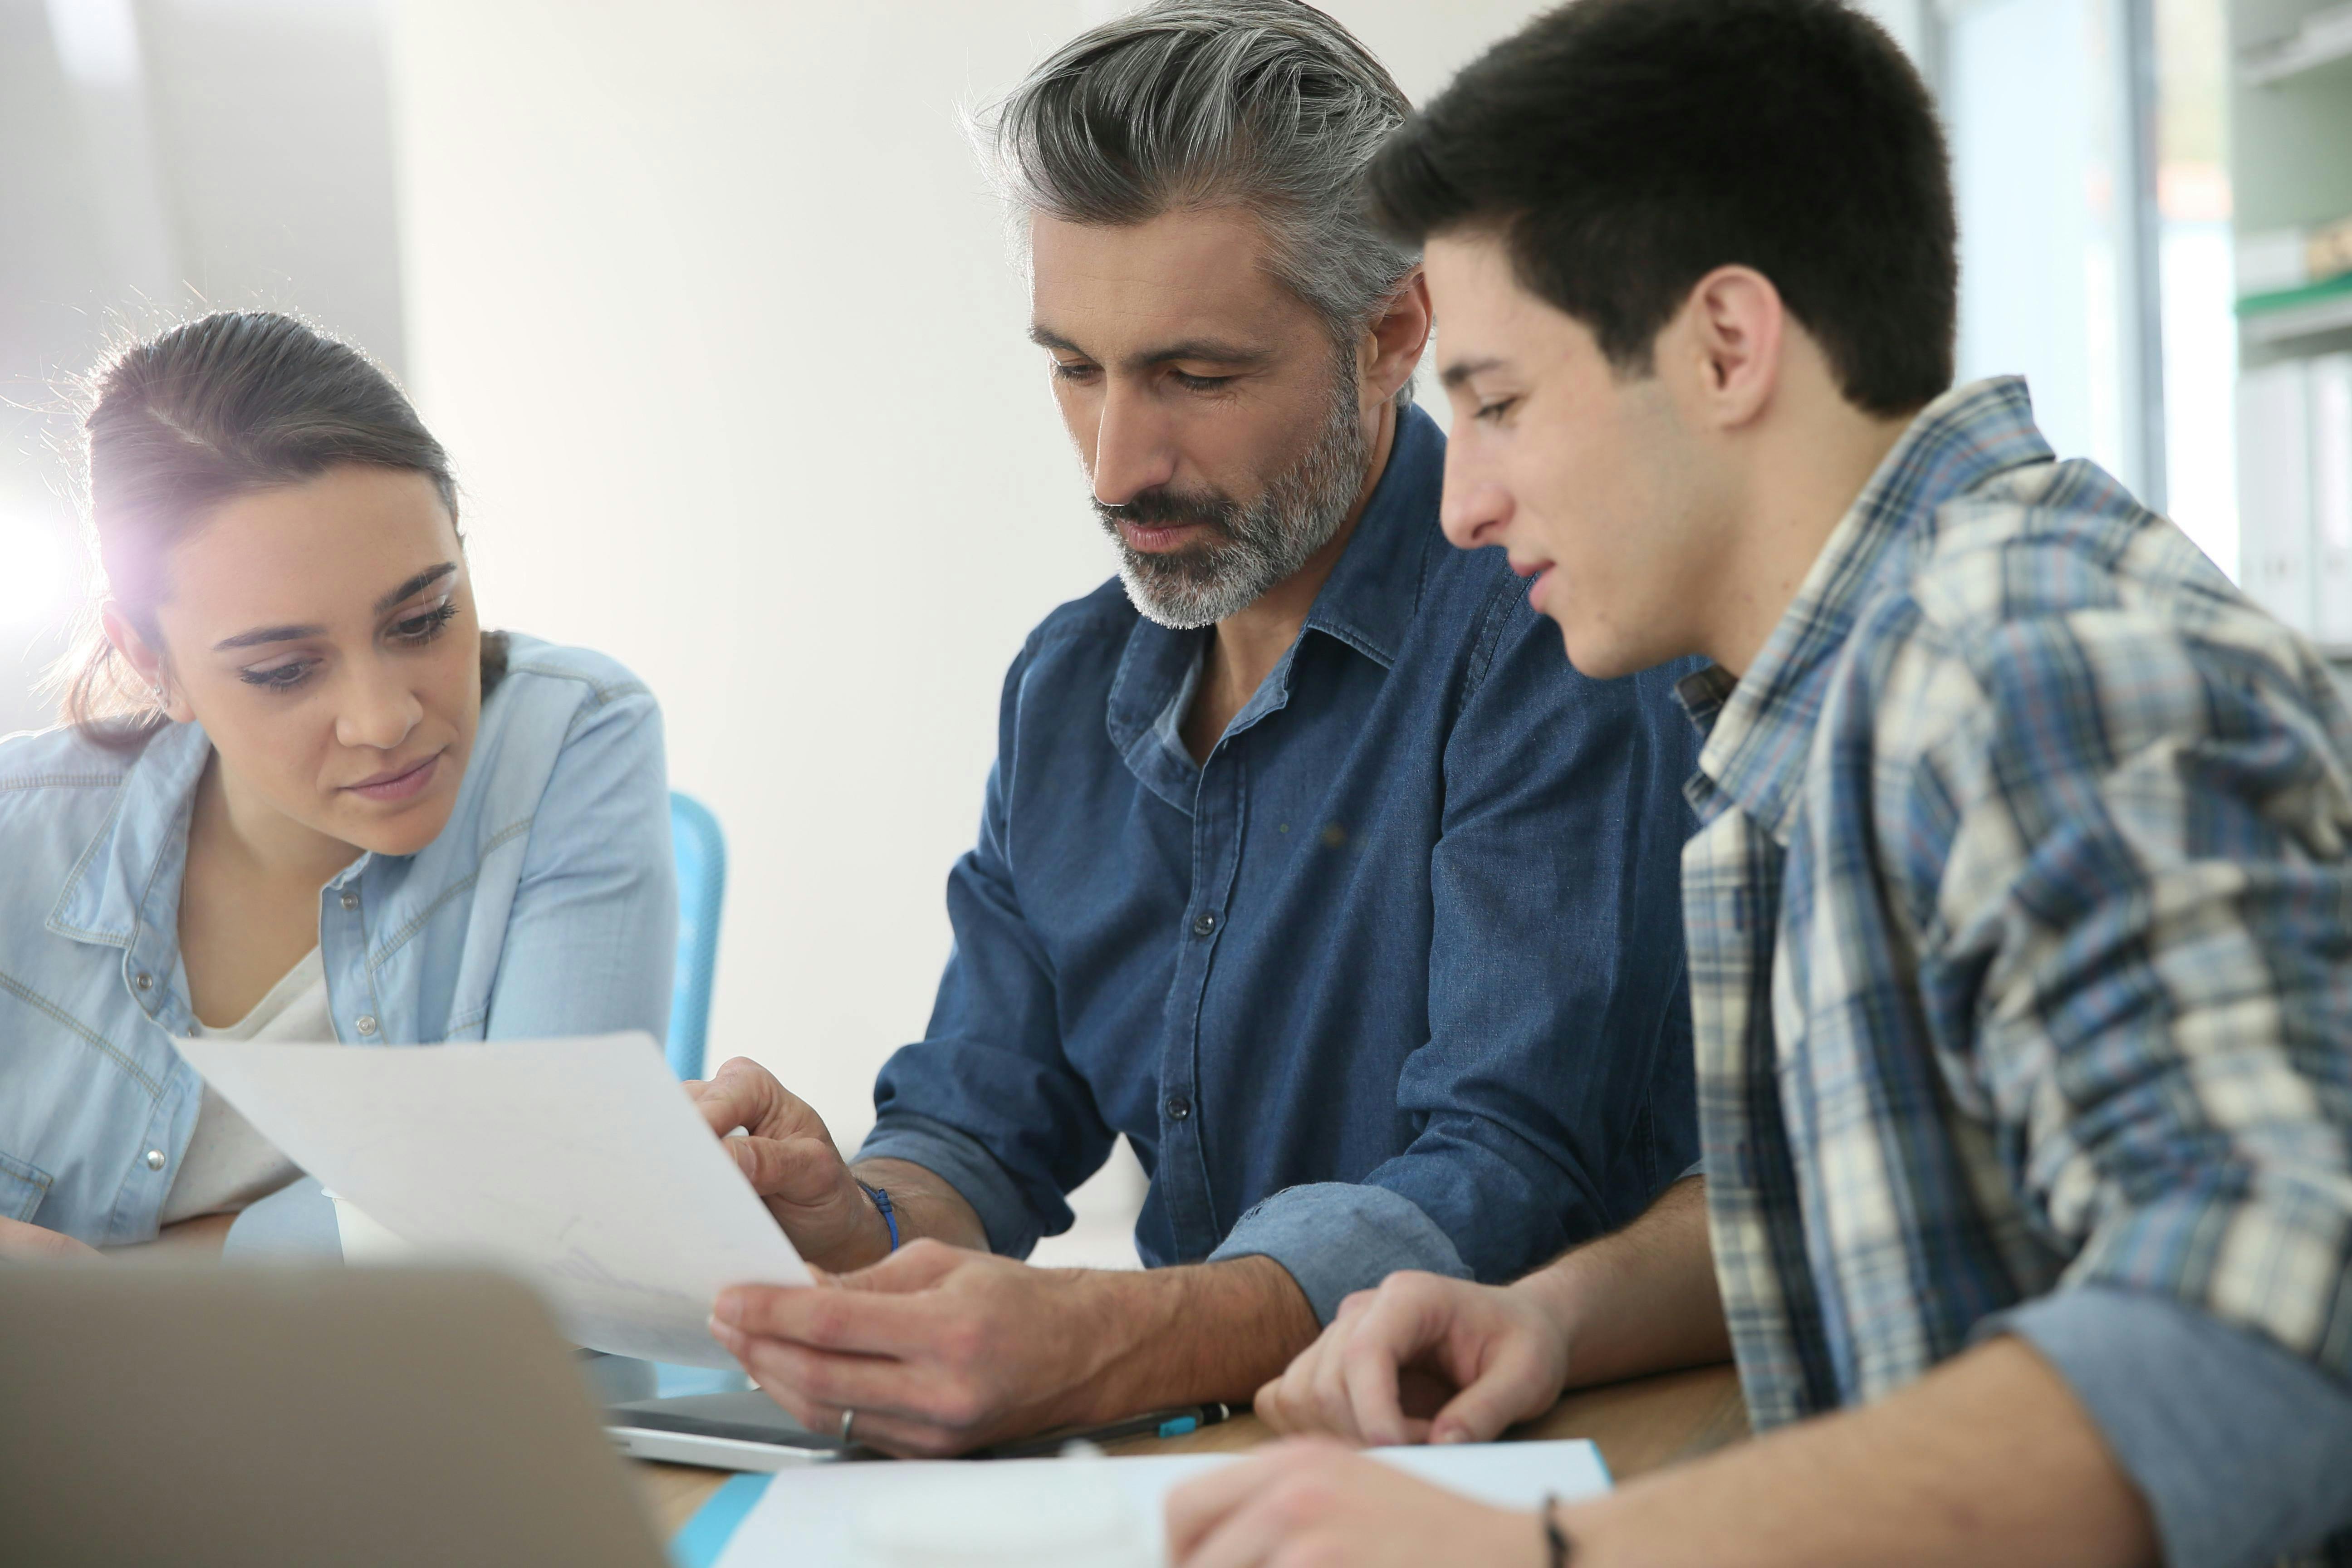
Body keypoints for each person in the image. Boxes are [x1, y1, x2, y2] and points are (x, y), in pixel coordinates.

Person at [1168, 2, 2352, 1565]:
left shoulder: (2014, 661)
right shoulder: (1847, 691)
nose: (1459, 503)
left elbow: (2280, 1313)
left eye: (1502, 400)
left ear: (1728, 343)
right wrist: (1551, 1311)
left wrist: (1551, 1550)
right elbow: (1910, 1203)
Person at [690, 0, 1700, 1457]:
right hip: (1242, 1465)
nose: (1116, 466)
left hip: (1524, 1463)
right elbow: (981, 1127)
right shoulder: (1065, 690)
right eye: (1075, 368)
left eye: (1195, 377)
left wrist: (1113, 1339)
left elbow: (1510, 1167)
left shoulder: (1551, 633)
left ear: (1392, 332)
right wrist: (846, 1221)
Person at [0, 310, 676, 1260]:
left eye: (423, 619)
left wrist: (116, 1289)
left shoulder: (569, 737)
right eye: (284, 671)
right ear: (151, 663)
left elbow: (552, 1221)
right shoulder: (16, 839)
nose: (383, 718)